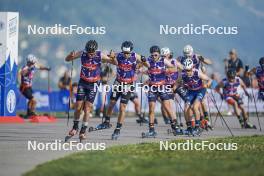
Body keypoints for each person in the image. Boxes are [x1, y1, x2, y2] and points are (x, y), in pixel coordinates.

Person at [95, 41, 146, 140]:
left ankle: (117, 129)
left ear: (131, 51)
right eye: (125, 52)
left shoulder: (135, 56)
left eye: (128, 53)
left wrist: (139, 66)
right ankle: (106, 122)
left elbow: (144, 62)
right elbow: (108, 60)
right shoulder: (118, 55)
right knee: (111, 104)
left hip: (128, 84)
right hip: (118, 83)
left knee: (123, 107)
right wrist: (111, 57)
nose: (126, 55)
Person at [65, 40, 114, 141]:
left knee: (88, 108)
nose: (90, 55)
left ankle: (83, 131)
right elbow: (67, 59)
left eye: (92, 53)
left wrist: (112, 57)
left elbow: (115, 63)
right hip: (83, 82)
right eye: (89, 52)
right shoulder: (82, 53)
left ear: (96, 50)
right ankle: (75, 127)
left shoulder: (100, 55)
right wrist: (70, 55)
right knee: (78, 106)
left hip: (94, 84)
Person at [141, 45, 182, 137]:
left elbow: (174, 68)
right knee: (151, 109)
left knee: (167, 108)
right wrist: (141, 66)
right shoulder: (149, 60)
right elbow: (142, 66)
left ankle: (175, 127)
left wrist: (164, 70)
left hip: (162, 87)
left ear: (159, 54)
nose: (154, 57)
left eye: (155, 55)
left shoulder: (163, 60)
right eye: (152, 55)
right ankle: (151, 130)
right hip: (152, 87)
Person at [181, 58, 212, 136]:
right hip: (191, 91)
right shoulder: (183, 74)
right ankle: (189, 128)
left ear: (192, 67)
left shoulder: (197, 72)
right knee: (186, 108)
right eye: (186, 70)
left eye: (189, 70)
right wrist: (174, 88)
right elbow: (178, 82)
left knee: (195, 107)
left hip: (200, 90)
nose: (187, 72)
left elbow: (209, 79)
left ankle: (197, 127)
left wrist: (208, 84)